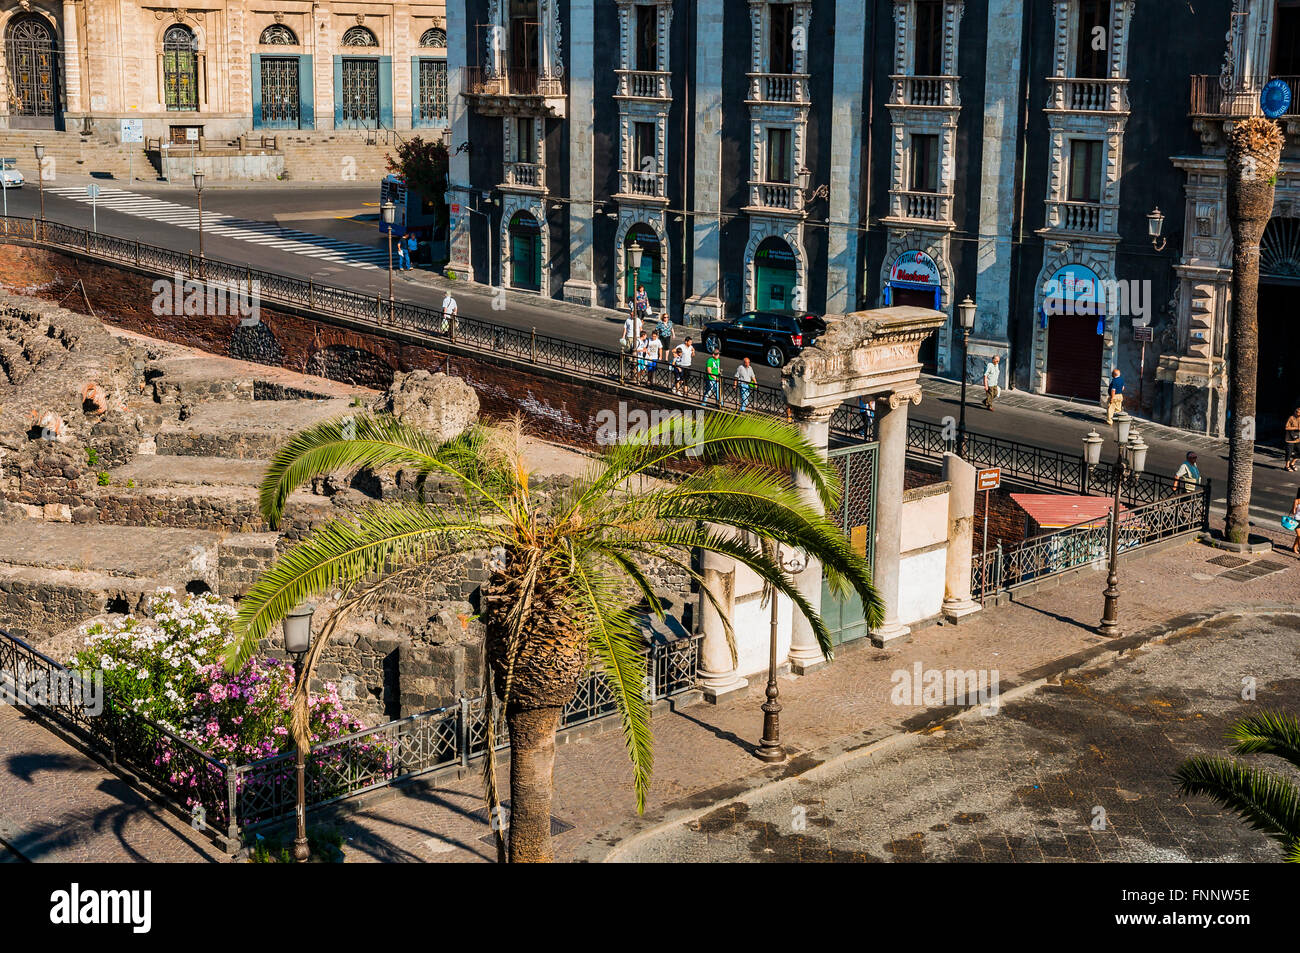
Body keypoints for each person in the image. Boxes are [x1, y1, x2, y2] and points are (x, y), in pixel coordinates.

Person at [1285, 405, 1300, 472]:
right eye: (1298, 413)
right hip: (1290, 438)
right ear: (1295, 412)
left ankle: (1292, 463)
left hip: (1298, 439)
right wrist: (1296, 428)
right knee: (1289, 453)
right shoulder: (1291, 418)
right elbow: (1286, 427)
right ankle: (1287, 466)